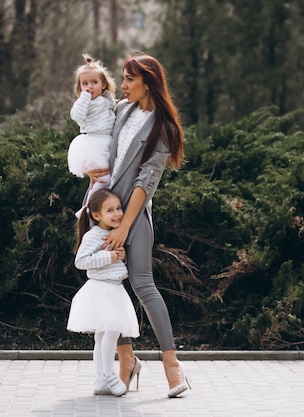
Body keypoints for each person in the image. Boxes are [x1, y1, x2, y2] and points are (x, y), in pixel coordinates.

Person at [85, 52, 189, 398]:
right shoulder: (123, 111)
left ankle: (172, 366)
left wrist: (124, 228)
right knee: (107, 283)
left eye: (130, 79)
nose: (123, 85)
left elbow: (147, 181)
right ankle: (126, 359)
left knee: (144, 285)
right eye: (124, 78)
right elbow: (101, 144)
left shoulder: (164, 127)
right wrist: (89, 168)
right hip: (104, 211)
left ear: (149, 82)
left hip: (133, 215)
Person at [67, 189, 139, 397]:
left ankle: (100, 380)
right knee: (112, 328)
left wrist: (121, 258)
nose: (117, 213)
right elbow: (81, 262)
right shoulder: (93, 235)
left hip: (115, 289)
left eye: (118, 208)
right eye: (110, 210)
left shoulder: (115, 234)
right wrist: (110, 257)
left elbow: (115, 264)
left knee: (102, 336)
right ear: (96, 215)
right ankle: (109, 374)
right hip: (100, 289)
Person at [67, 54, 117, 218]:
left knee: (105, 179)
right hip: (93, 142)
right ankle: (89, 208)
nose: (89, 86)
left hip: (106, 141)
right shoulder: (84, 102)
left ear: (103, 85)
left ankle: (95, 206)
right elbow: (76, 115)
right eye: (85, 83)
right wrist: (84, 98)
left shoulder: (107, 99)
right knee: (103, 179)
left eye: (94, 82)